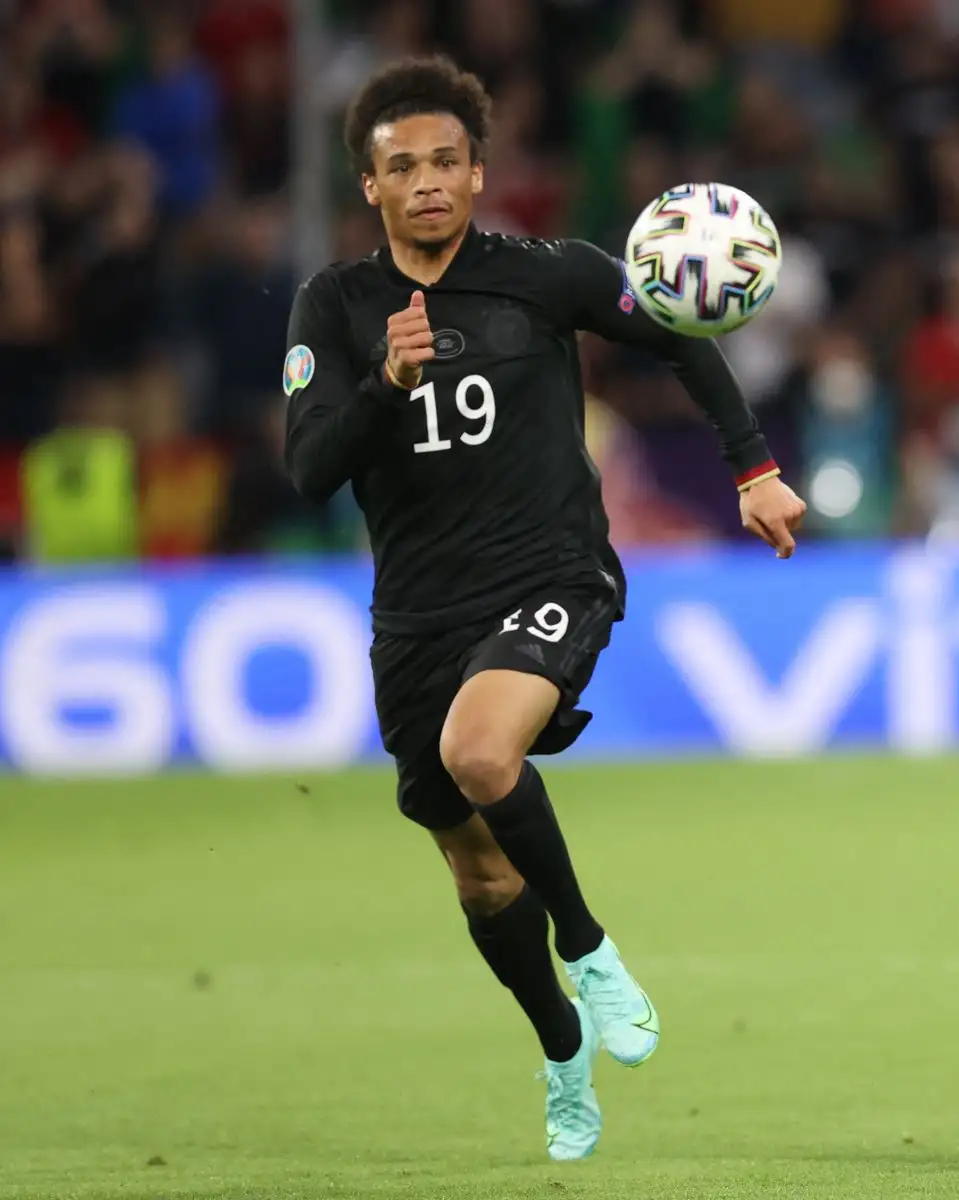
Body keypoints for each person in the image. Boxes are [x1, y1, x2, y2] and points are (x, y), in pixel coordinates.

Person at [282, 57, 806, 1161]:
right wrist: (383, 385)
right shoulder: (334, 306)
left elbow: (675, 336)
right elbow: (307, 470)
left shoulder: (549, 274)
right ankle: (563, 1045)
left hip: (552, 576)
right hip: (417, 619)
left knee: (482, 753)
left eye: (444, 161)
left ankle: (594, 949)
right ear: (369, 189)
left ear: (478, 172)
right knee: (476, 870)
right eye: (399, 168)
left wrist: (752, 468)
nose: (425, 182)